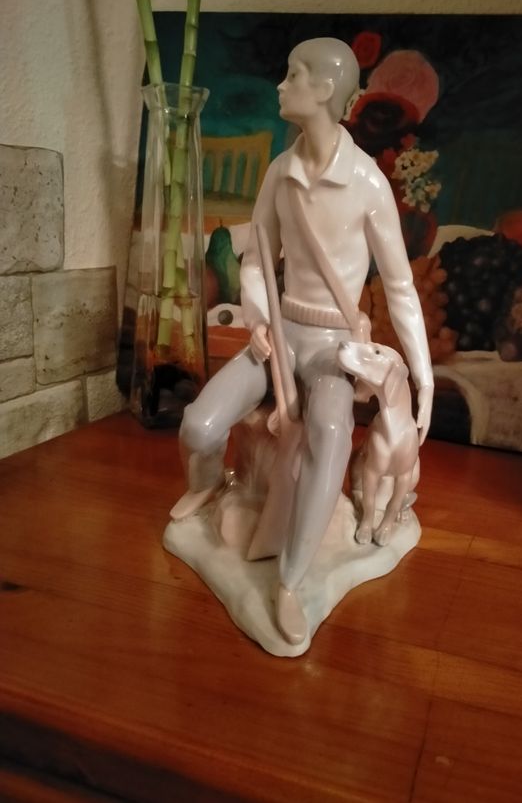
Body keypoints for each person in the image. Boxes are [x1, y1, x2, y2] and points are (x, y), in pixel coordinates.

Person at [171, 37, 434, 645]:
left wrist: (423, 376)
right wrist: (259, 318)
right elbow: (257, 260)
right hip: (280, 331)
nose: (281, 85)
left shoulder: (367, 184)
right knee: (199, 426)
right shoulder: (280, 173)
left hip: (332, 346)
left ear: (325, 90)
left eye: (293, 75)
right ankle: (206, 484)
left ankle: (291, 578)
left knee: (331, 433)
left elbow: (399, 285)